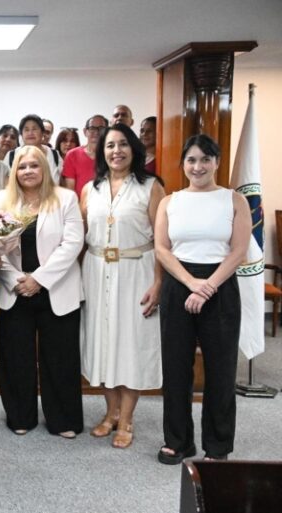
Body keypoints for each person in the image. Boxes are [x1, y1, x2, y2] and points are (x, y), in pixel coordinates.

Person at [154, 134, 250, 463]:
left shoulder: (234, 200)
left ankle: (218, 446)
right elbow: (162, 249)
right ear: (183, 164)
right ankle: (178, 442)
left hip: (220, 285)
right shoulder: (170, 201)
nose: (198, 166)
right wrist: (191, 283)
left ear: (217, 163)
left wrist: (207, 286)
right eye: (192, 160)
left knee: (221, 371)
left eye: (205, 159)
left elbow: (239, 251)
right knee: (176, 369)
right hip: (180, 284)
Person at [80, 123, 165, 449]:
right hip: (97, 270)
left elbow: (162, 239)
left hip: (136, 272)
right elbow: (81, 237)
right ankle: (110, 412)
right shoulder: (92, 189)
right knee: (103, 344)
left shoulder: (150, 186)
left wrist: (158, 282)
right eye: (110, 146)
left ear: (134, 149)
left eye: (123, 145)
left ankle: (127, 419)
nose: (117, 151)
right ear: (102, 152)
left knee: (131, 345)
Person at [0, 146, 84, 439]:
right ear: (13, 172)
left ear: (45, 169)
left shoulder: (65, 198)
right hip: (15, 289)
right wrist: (18, 279)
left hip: (56, 288)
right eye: (22, 166)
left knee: (60, 358)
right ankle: (20, 416)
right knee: (16, 358)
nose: (28, 171)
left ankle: (63, 420)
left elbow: (72, 244)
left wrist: (39, 280)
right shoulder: (1, 200)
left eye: (34, 165)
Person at [5, 115, 62, 185]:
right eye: (26, 130)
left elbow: (62, 183)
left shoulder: (54, 155)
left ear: (42, 133)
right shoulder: (12, 156)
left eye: (34, 129)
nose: (30, 133)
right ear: (21, 134)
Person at [62, 115, 109, 196]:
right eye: (92, 128)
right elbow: (70, 191)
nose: (96, 132)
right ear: (85, 131)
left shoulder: (111, 155)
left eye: (101, 128)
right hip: (78, 206)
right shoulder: (72, 155)